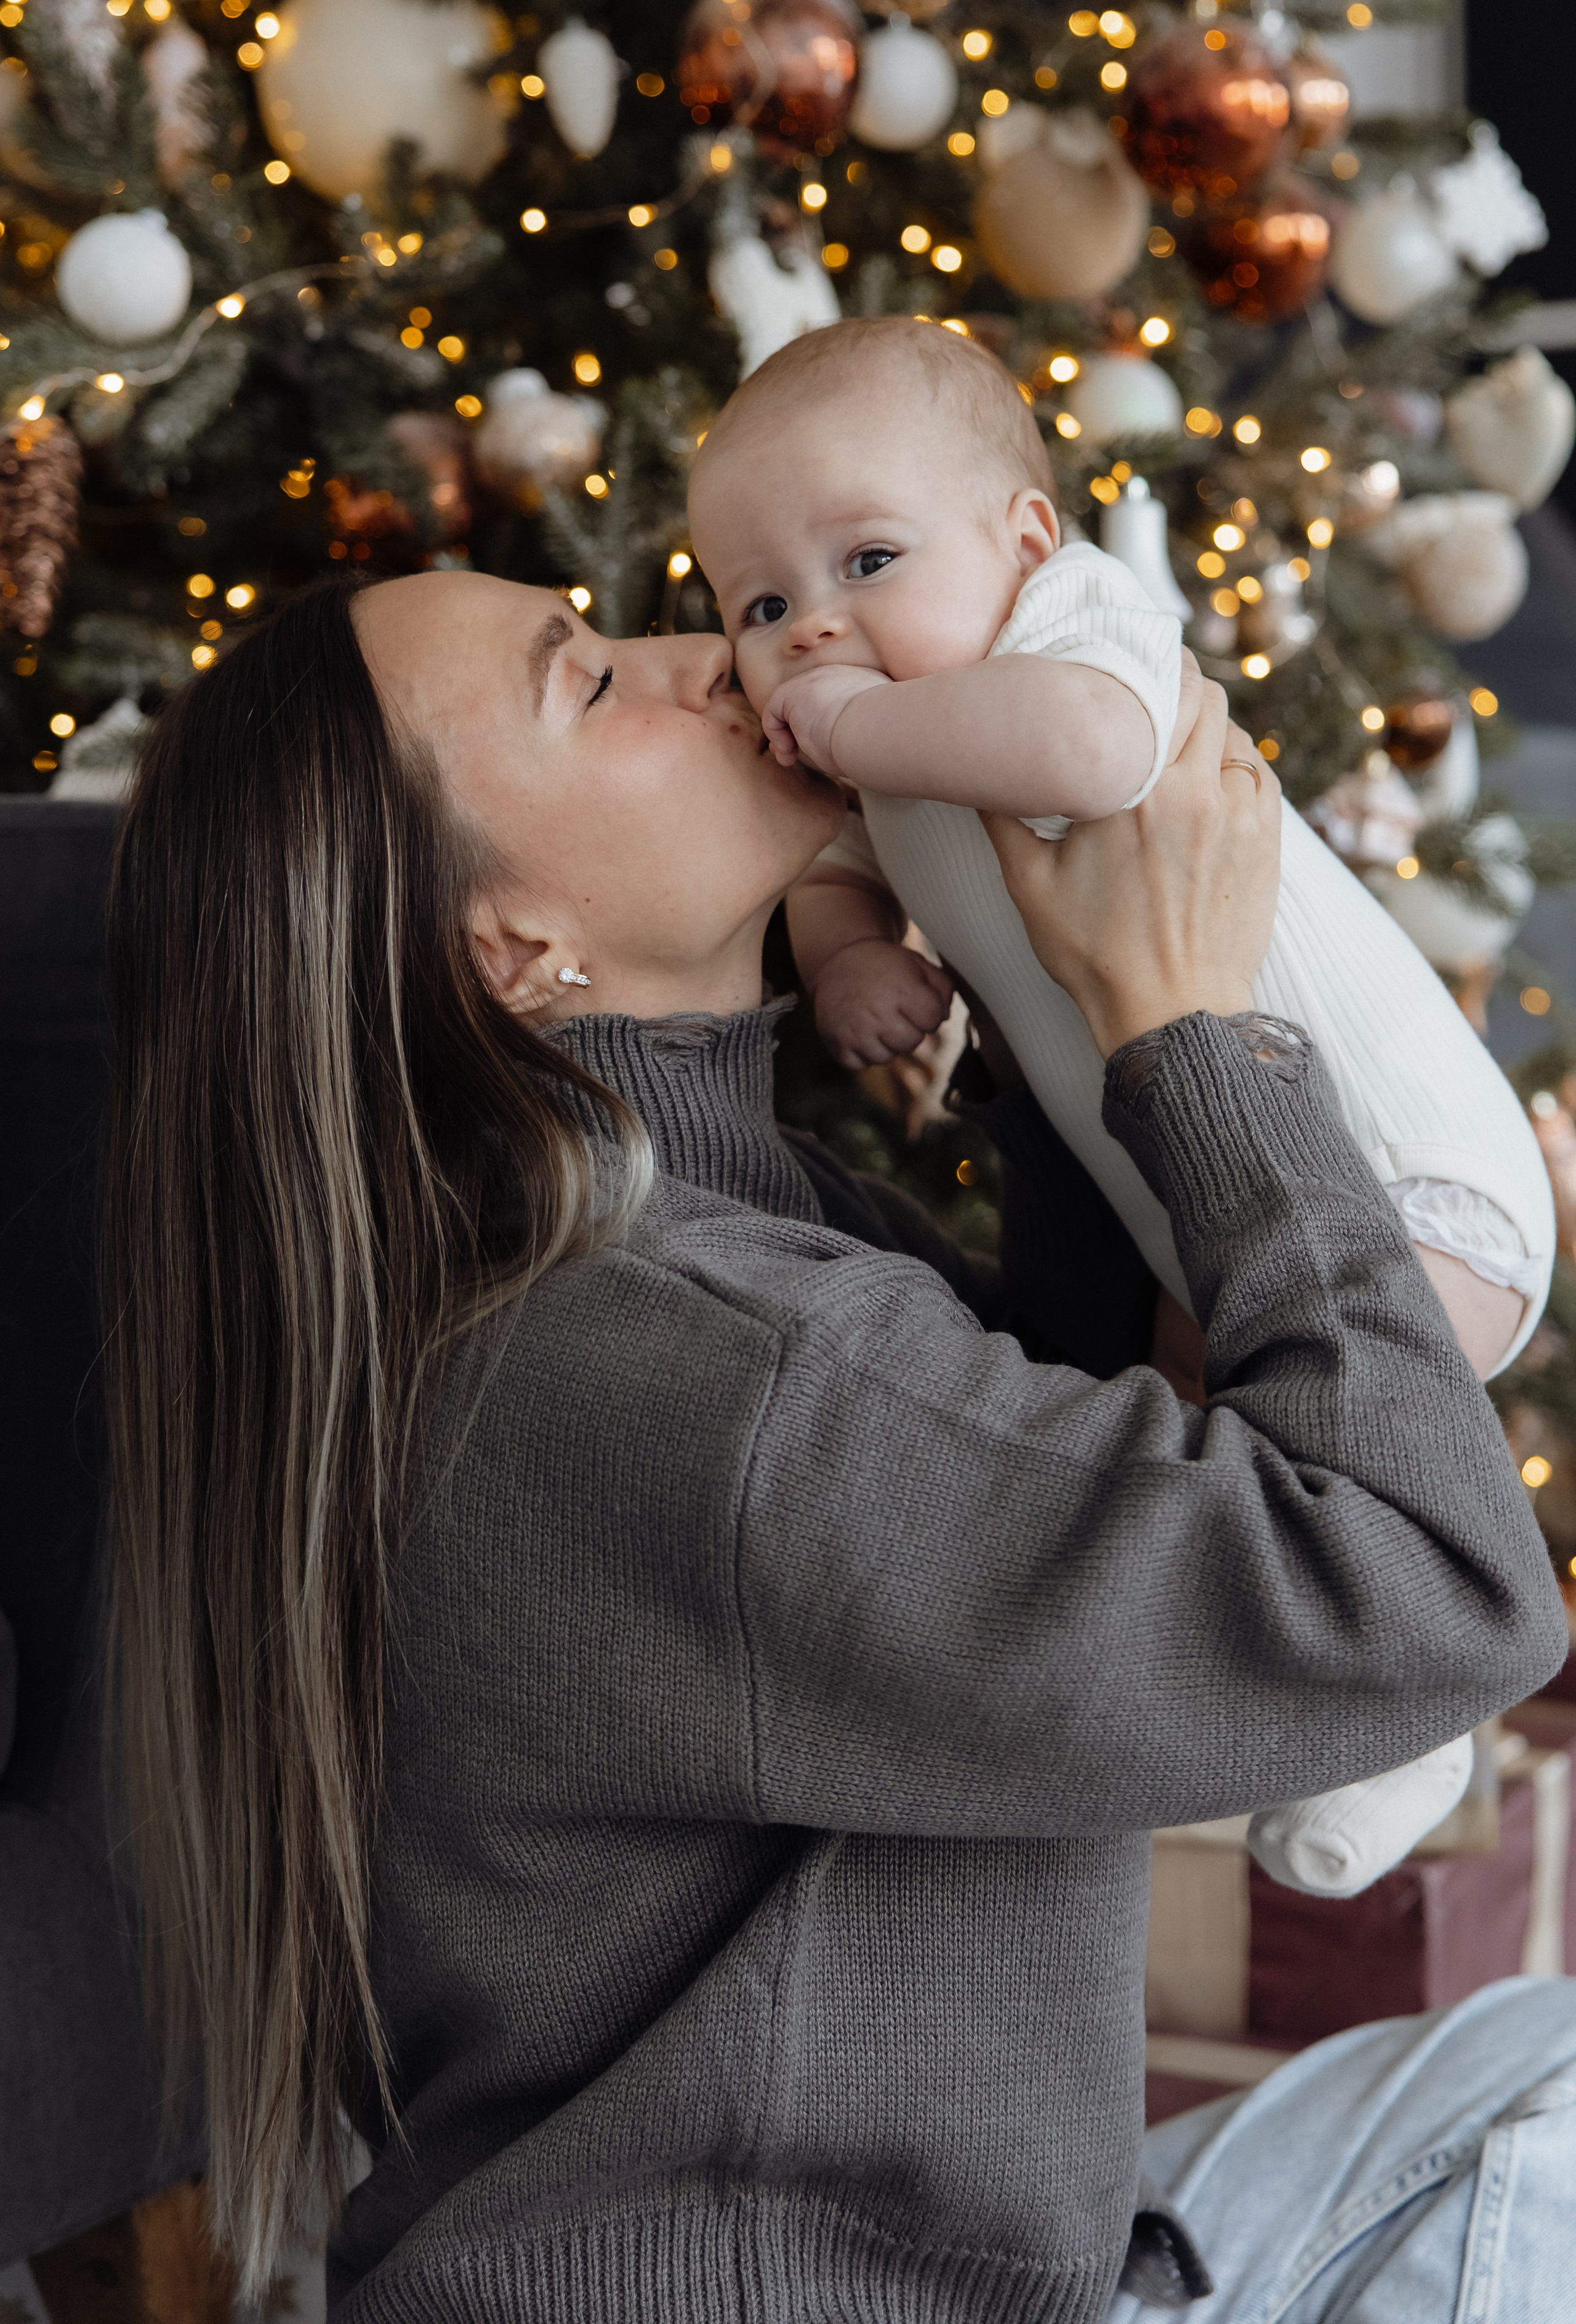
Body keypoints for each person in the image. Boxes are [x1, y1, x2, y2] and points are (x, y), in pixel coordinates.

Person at [100, 571, 1566, 2323]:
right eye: (589, 682)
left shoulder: (682, 1237)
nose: (707, 654)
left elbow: (1097, 1446)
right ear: (508, 946)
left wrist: (1056, 995)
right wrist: (1192, 1026)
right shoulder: (665, 1359)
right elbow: (1428, 1590)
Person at [687, 313, 1556, 1902]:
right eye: (758, 603)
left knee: (1342, 1427)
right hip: (1203, 1215)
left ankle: (1443, 1656)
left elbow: (1093, 757)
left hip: (1406, 1180)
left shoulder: (1074, 628)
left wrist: (866, 730)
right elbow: (830, 868)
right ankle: (1396, 1718)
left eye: (867, 559)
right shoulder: (878, 753)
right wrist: (847, 951)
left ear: (1022, 539)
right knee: (1215, 1461)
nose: (811, 630)